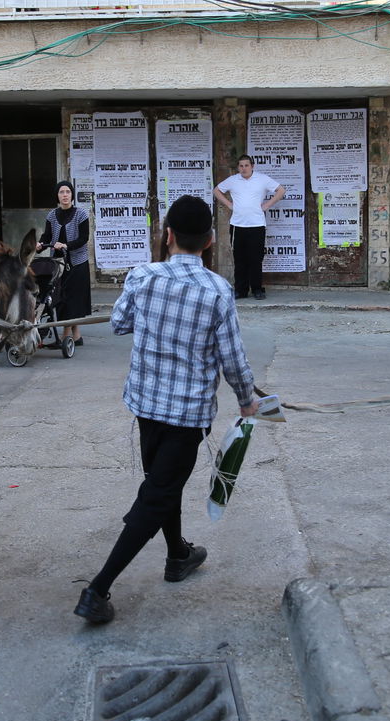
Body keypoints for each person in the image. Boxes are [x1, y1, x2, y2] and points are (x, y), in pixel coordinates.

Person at [74, 196, 259, 623]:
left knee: (161, 484)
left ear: (168, 234)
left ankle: (178, 555)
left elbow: (119, 323)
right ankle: (97, 590)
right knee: (157, 494)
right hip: (185, 413)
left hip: (146, 406)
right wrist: (248, 400)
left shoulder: (143, 277)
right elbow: (232, 358)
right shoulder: (217, 290)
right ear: (211, 240)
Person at [214, 154, 285, 300]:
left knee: (255, 258)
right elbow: (217, 190)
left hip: (257, 225)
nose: (244, 168)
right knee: (239, 259)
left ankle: (257, 289)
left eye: (246, 165)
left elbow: (281, 190)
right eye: (241, 166)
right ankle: (241, 290)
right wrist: (228, 205)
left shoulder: (262, 179)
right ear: (238, 168)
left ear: (252, 166)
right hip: (238, 225)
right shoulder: (233, 180)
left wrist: (267, 205)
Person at [36, 181, 91, 345]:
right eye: (61, 192)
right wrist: (39, 245)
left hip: (77, 262)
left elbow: (83, 238)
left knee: (72, 299)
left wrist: (67, 245)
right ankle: (77, 336)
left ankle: (66, 336)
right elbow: (47, 236)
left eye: (68, 192)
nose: (65, 195)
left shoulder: (81, 214)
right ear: (57, 196)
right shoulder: (52, 215)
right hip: (58, 263)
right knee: (61, 298)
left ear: (72, 195)